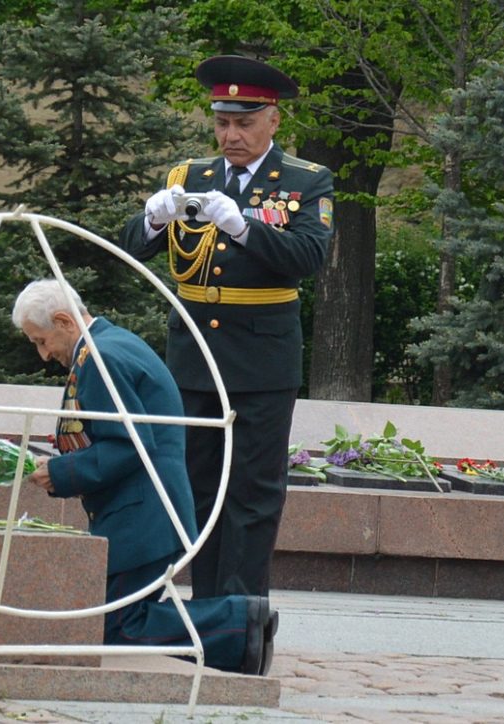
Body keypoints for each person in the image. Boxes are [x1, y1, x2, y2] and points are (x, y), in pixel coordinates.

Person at [119, 55, 335, 600]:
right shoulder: (190, 177)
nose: (231, 135)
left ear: (273, 120)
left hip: (262, 361)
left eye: (244, 122)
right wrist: (152, 218)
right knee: (195, 486)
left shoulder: (305, 181)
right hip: (196, 355)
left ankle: (239, 616)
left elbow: (310, 255)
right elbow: (128, 247)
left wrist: (241, 228)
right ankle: (203, 605)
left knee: (253, 494)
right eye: (222, 122)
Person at [13, 279, 278, 675]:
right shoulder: (108, 346)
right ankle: (241, 627)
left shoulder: (101, 358)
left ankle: (240, 624)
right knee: (116, 620)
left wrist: (61, 472)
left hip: (143, 517)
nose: (43, 355)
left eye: (41, 340)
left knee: (114, 625)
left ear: (64, 321)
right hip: (146, 513)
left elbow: (128, 444)